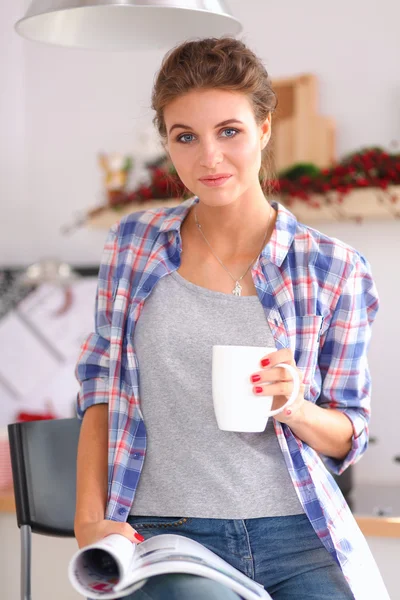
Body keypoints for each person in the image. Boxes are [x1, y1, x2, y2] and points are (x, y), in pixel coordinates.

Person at [74, 37, 389, 600]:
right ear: (167, 143)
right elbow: (102, 388)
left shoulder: (335, 267)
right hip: (168, 533)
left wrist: (295, 407)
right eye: (185, 137)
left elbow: (349, 434)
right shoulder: (133, 245)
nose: (208, 158)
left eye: (229, 131)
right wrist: (87, 520)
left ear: (264, 129)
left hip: (301, 533)